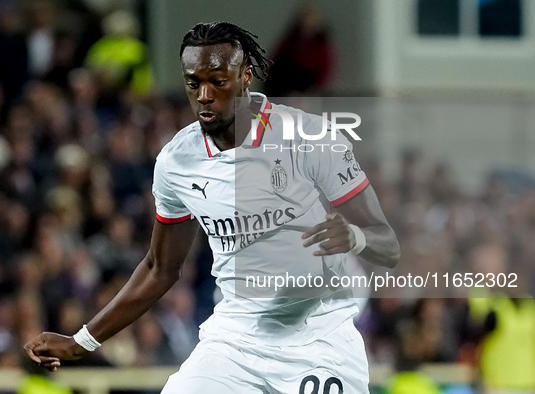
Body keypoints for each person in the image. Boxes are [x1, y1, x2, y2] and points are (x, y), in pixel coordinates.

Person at [24, 22, 400, 393]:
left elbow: (387, 245)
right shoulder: (177, 161)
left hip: (318, 344)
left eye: (217, 82)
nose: (204, 95)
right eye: (193, 83)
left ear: (245, 78)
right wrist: (82, 341)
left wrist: (352, 236)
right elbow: (159, 268)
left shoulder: (308, 138)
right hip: (234, 345)